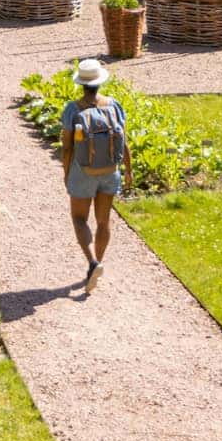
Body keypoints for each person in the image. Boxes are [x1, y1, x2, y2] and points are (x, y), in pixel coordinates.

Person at [60, 58, 132, 294]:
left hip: (83, 171)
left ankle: (93, 263)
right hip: (110, 170)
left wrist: (66, 172)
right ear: (100, 82)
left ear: (81, 84)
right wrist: (128, 168)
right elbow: (123, 140)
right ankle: (98, 265)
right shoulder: (114, 105)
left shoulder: (73, 109)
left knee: (79, 219)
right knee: (104, 221)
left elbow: (68, 146)